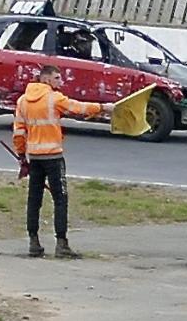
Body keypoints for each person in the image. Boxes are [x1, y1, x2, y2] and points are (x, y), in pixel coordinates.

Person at [12, 65, 114, 257]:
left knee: (34, 200)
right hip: (53, 157)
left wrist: (21, 156)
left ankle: (33, 242)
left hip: (34, 158)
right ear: (47, 80)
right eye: (57, 78)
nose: (61, 82)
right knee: (60, 199)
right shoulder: (54, 98)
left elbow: (18, 132)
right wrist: (103, 108)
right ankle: (61, 244)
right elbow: (78, 108)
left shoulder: (23, 101)